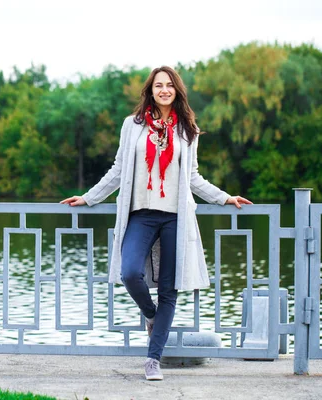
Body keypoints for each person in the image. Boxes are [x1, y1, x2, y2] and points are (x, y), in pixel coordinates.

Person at [61, 66, 252, 380]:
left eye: (169, 85)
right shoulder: (132, 126)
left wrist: (224, 198)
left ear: (177, 90)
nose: (164, 90)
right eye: (158, 86)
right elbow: (119, 170)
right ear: (150, 91)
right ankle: (152, 316)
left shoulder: (187, 129)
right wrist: (89, 197)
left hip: (176, 218)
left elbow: (192, 178)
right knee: (129, 272)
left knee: (169, 290)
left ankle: (153, 361)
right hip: (142, 214)